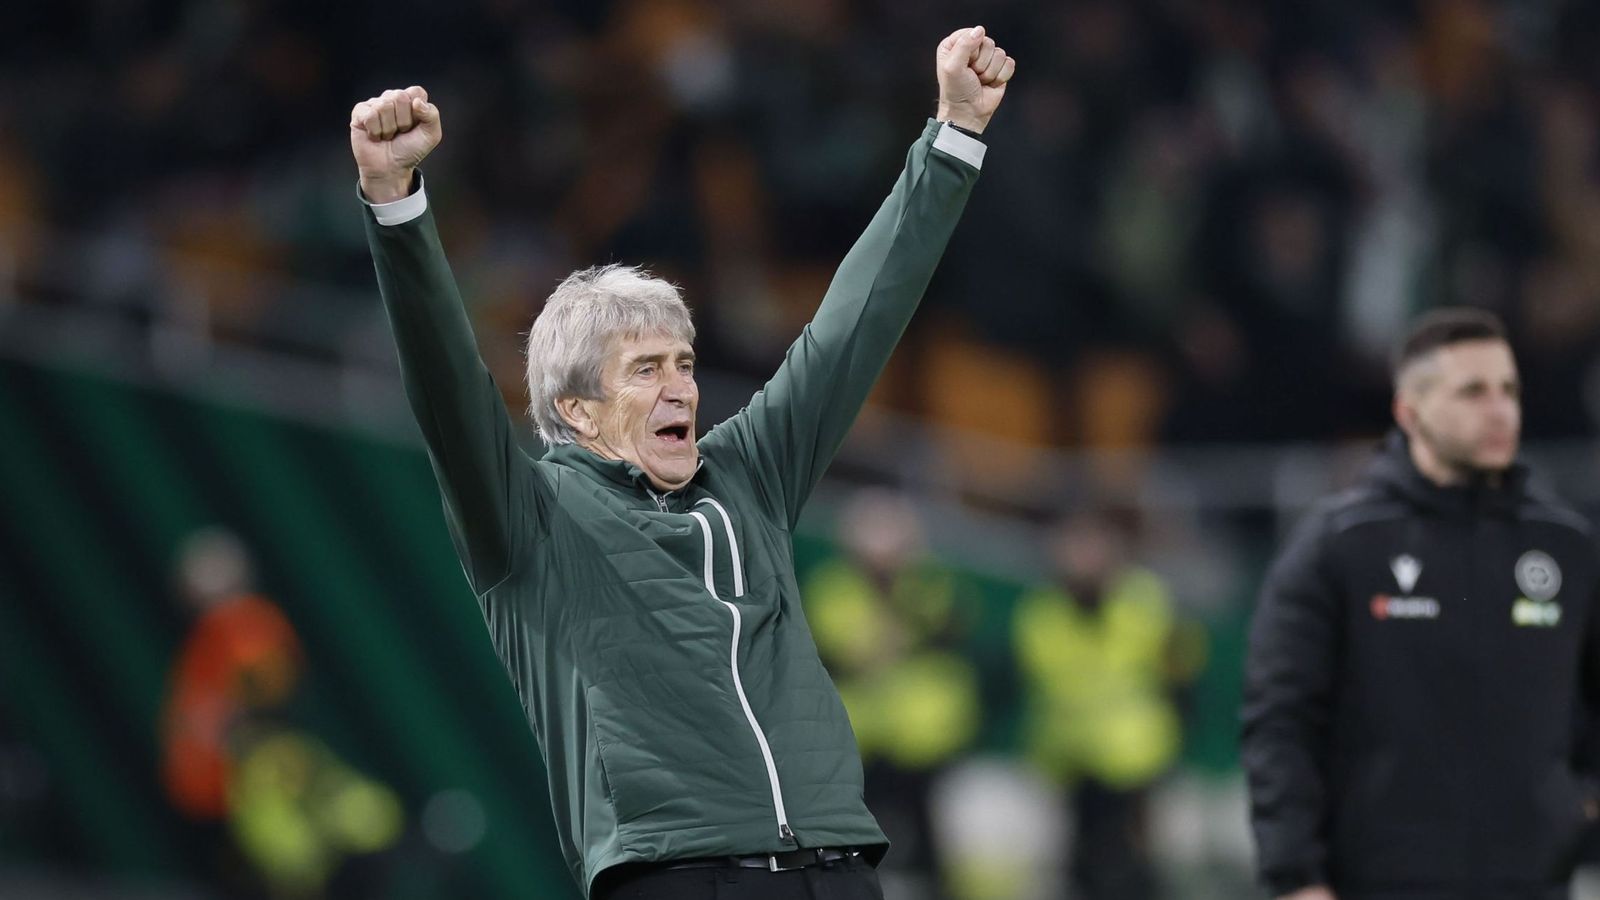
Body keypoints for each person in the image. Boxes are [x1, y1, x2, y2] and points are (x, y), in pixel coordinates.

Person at [348, 25, 1014, 900]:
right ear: (576, 409)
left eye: (687, 363)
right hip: (675, 872)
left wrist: (954, 136)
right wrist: (397, 207)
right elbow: (447, 387)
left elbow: (858, 322)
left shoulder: (750, 474)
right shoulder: (528, 518)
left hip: (836, 866)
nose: (681, 390)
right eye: (647, 369)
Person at [1242, 308, 1600, 900]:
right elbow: (1282, 722)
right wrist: (1295, 874)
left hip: (1532, 882)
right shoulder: (1342, 546)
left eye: (1509, 390)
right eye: (1472, 392)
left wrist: (1575, 801)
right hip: (1379, 881)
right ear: (1409, 411)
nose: (1500, 410)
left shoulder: (1563, 544)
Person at [803, 488, 982, 899]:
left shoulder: (930, 583)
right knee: (863, 838)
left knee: (932, 837)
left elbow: (949, 628)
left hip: (927, 737)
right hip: (861, 738)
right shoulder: (833, 587)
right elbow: (843, 647)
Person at [1014, 508, 1185, 900]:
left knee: (1135, 863)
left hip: (1136, 757)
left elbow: (1178, 670)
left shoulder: (1146, 600)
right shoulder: (1042, 612)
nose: (1083, 557)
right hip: (1070, 759)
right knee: (1081, 864)